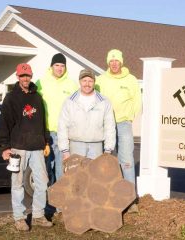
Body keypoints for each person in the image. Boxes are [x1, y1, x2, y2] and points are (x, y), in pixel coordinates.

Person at [0, 63, 52, 231]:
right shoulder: (11, 97)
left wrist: (46, 141)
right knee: (18, 183)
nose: (25, 78)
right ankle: (19, 217)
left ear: (31, 76)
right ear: (17, 77)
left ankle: (38, 215)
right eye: (22, 76)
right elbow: (4, 123)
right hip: (18, 148)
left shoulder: (37, 97)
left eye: (27, 75)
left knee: (42, 182)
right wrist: (5, 147)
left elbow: (43, 121)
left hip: (37, 147)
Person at [96, 49, 142, 212]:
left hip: (124, 124)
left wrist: (130, 117)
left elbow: (137, 100)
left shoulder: (131, 80)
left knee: (127, 161)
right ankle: (105, 197)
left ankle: (130, 201)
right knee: (105, 161)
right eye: (111, 61)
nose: (114, 63)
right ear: (108, 63)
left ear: (121, 62)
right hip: (105, 125)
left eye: (116, 61)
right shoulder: (100, 80)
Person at [36, 53, 78, 184]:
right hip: (46, 133)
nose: (59, 68)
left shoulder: (72, 85)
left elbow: (77, 109)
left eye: (62, 65)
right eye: (57, 65)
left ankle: (60, 202)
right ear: (51, 66)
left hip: (63, 134)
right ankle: (48, 202)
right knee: (46, 168)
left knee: (61, 170)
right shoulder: (41, 83)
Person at [58, 69, 116, 161]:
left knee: (96, 175)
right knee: (76, 174)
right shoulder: (69, 101)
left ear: (94, 82)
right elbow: (62, 126)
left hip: (96, 146)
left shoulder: (104, 102)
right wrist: (65, 151)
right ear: (80, 82)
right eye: (84, 81)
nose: (87, 84)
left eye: (90, 81)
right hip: (75, 145)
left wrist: (108, 150)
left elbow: (110, 126)